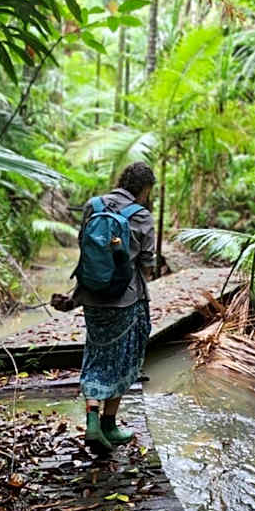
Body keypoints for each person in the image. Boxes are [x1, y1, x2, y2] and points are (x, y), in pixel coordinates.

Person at [52, 162, 156, 453]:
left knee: (96, 354)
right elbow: (147, 268)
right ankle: (109, 424)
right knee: (121, 360)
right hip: (126, 299)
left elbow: (84, 248)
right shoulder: (143, 216)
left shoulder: (92, 205)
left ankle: (93, 422)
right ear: (145, 189)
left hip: (92, 295)